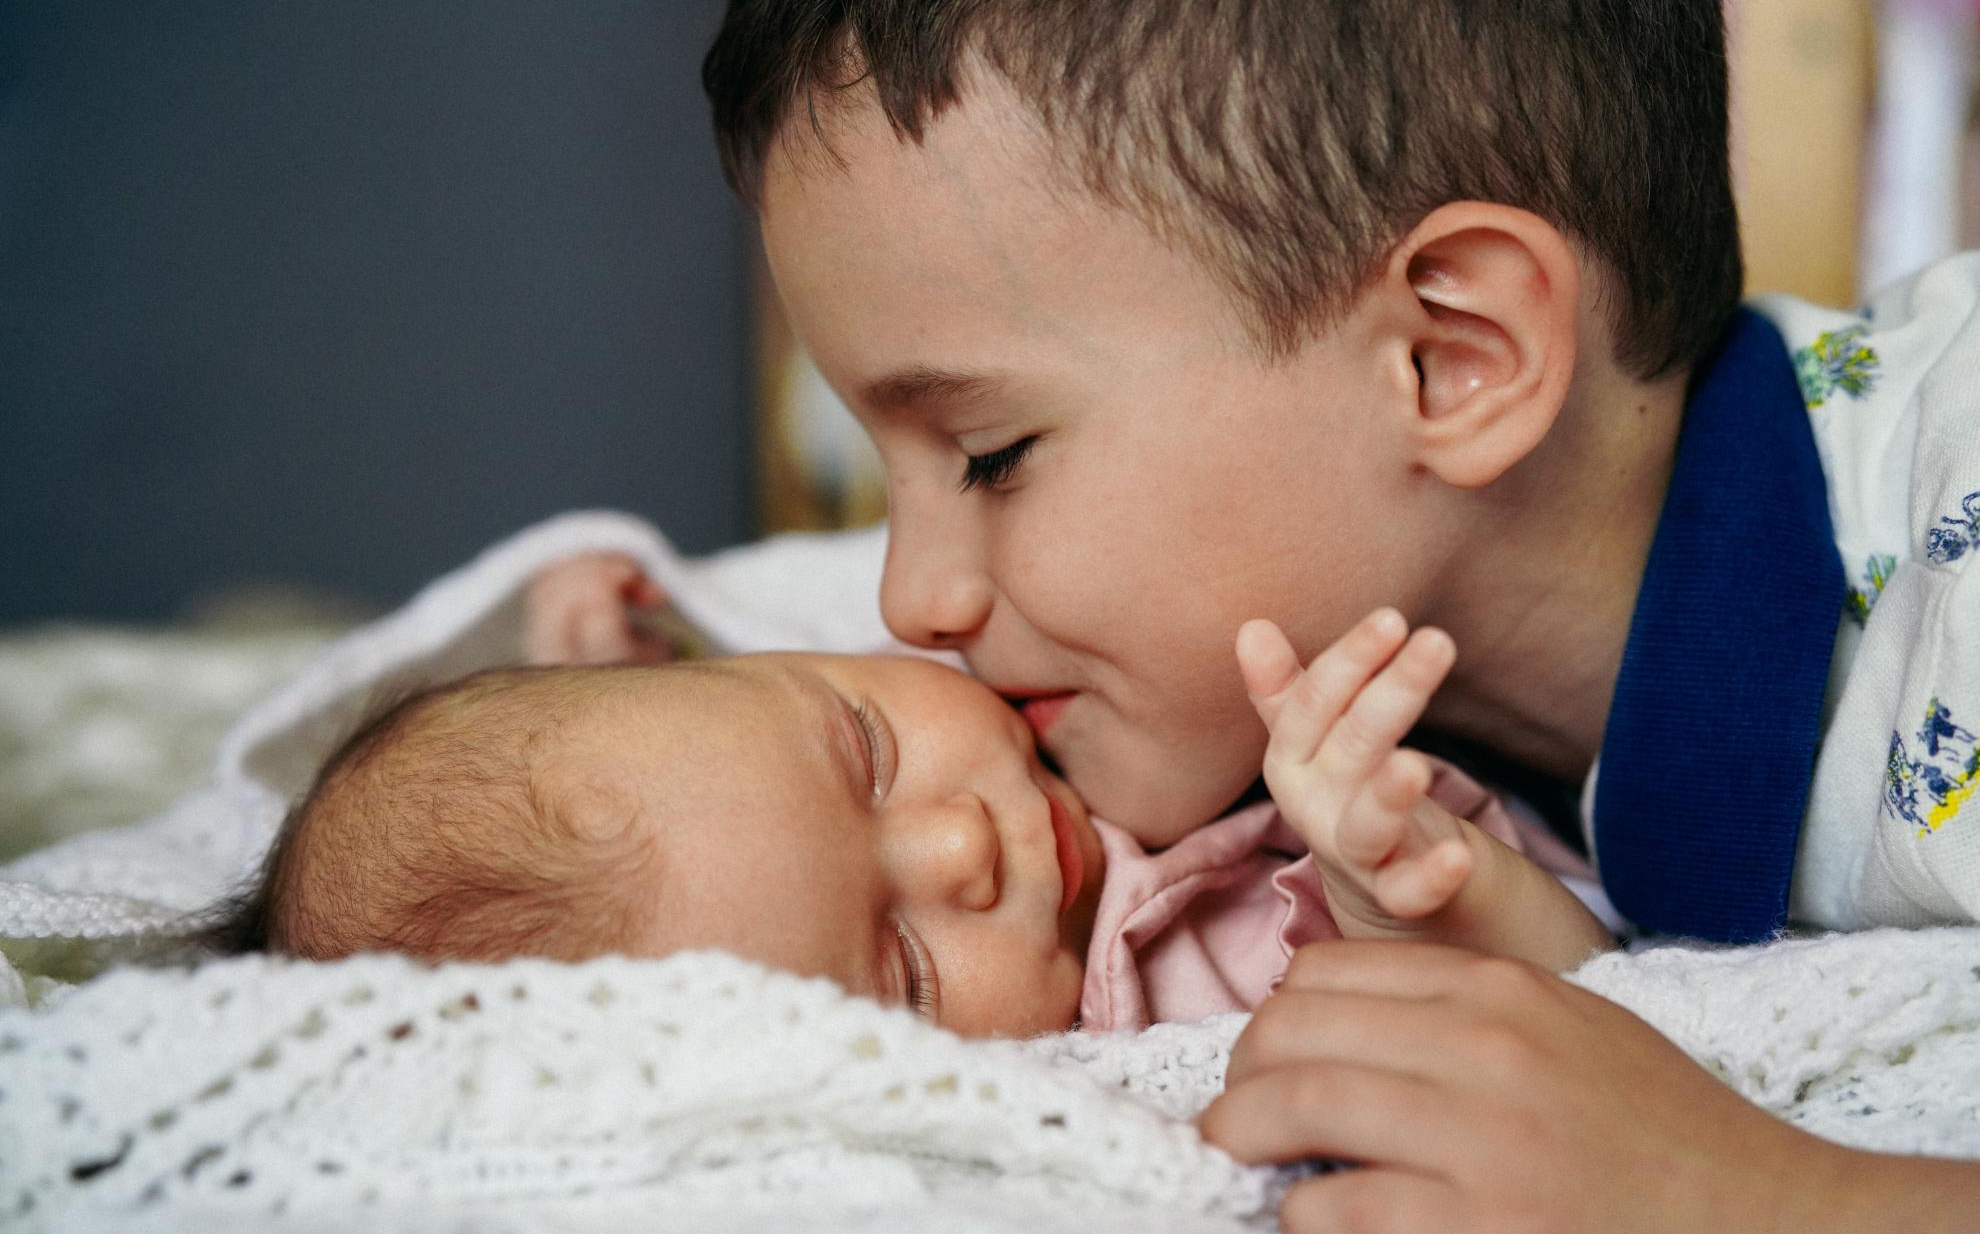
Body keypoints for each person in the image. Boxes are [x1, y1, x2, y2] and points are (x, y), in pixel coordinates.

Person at [693, 0, 1980, 1225]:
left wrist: (1764, 1198)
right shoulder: (1357, 641)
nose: (910, 599)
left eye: (990, 454)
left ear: (1450, 357)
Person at [219, 606, 1612, 1038]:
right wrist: (1404, 891)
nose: (962, 845)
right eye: (902, 968)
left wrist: (647, 617)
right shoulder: (1190, 1016)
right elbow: (1597, 1015)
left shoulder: (1015, 658)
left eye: (867, 750)